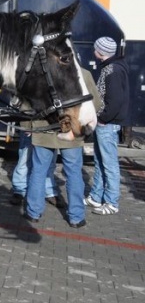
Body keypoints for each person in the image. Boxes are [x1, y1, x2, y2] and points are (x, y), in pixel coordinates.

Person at [24, 68, 100, 228]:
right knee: (73, 173)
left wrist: (27, 126)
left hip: (43, 129)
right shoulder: (83, 74)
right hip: (71, 130)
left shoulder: (39, 74)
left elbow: (26, 102)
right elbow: (96, 102)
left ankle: (33, 213)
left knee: (38, 171)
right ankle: (76, 217)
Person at [87, 37, 130, 216]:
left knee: (109, 164)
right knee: (99, 161)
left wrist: (103, 118)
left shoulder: (112, 70)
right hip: (105, 123)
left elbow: (115, 101)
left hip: (107, 124)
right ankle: (96, 197)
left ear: (101, 52)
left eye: (95, 48)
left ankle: (112, 202)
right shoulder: (111, 67)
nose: (93, 50)